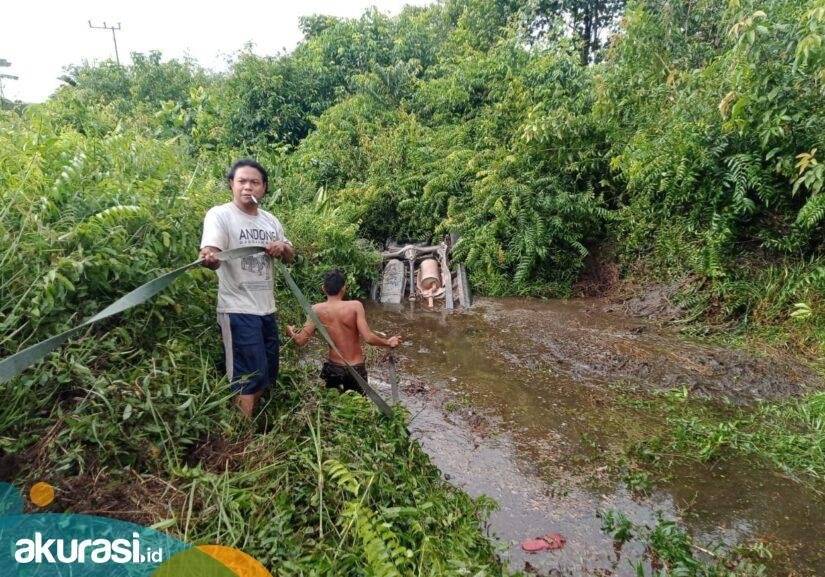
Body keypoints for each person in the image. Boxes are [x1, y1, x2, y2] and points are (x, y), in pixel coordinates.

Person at [199, 158, 294, 417]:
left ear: (264, 187)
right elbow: (211, 253)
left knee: (266, 372)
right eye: (241, 181)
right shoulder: (220, 215)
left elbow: (290, 254)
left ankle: (251, 424)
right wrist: (209, 258)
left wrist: (282, 247)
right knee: (246, 377)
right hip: (237, 309)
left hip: (266, 309)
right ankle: (244, 435)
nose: (247, 187)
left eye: (254, 182)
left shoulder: (271, 221)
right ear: (232, 184)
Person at [286, 269, 402, 393]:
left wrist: (289, 331)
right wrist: (388, 342)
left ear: (323, 289)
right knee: (358, 408)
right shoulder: (355, 306)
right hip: (355, 369)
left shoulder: (315, 309)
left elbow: (300, 340)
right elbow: (368, 338)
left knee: (335, 408)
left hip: (333, 368)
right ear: (344, 288)